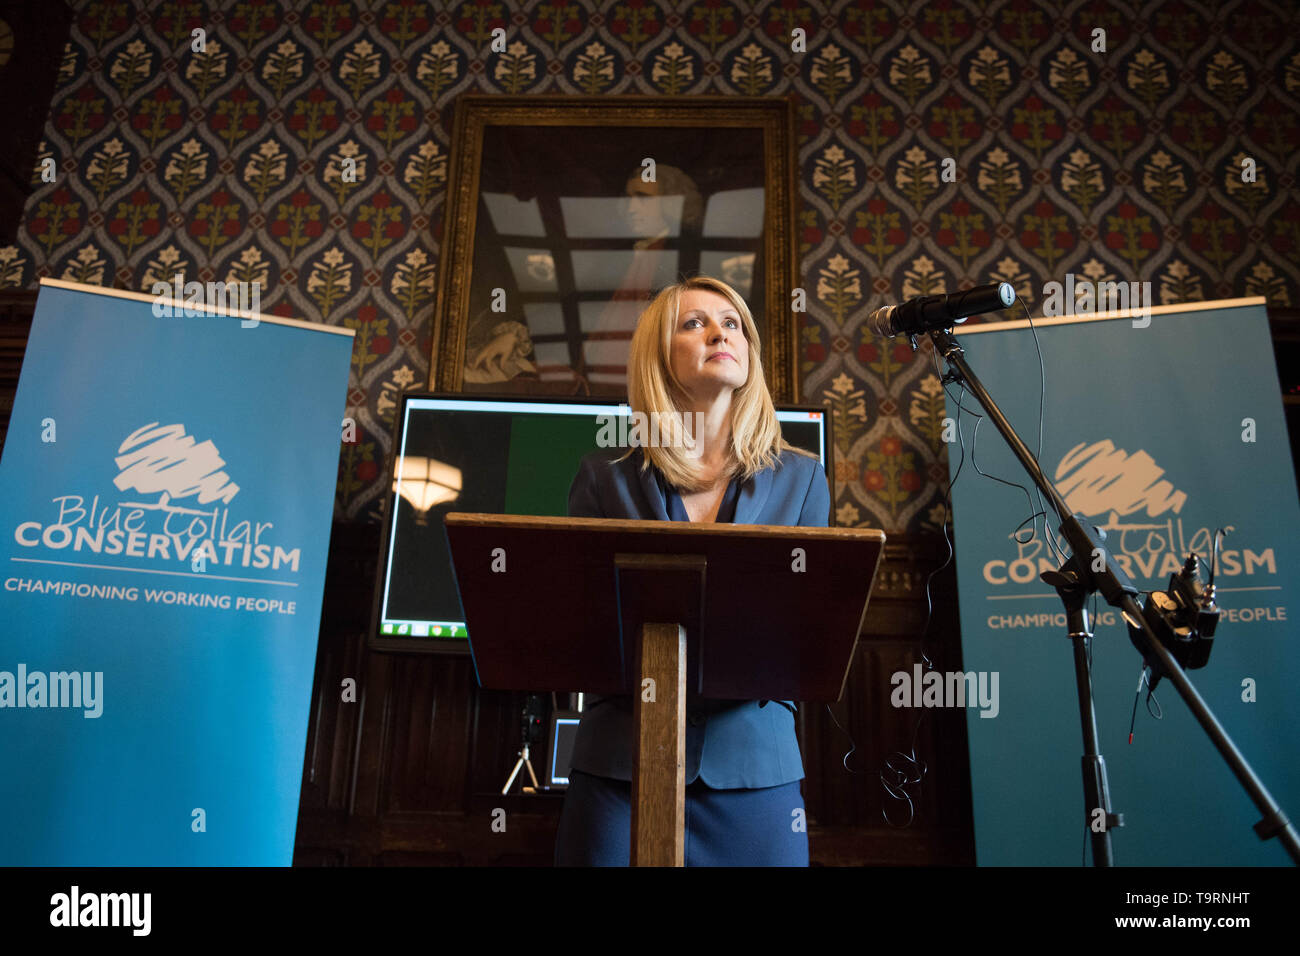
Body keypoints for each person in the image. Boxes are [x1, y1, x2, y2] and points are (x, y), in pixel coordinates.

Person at [554, 275, 831, 866]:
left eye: (732, 324)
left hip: (756, 777)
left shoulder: (803, 480)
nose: (719, 333)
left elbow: (805, 637)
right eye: (694, 323)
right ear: (659, 353)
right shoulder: (604, 476)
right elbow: (586, 632)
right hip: (618, 773)